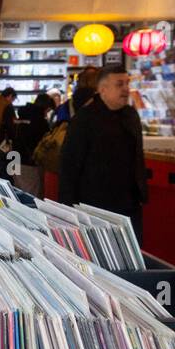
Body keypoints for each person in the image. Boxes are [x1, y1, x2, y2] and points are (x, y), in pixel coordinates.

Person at [58, 64, 147, 239]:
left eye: (127, 83)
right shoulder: (85, 119)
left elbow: (137, 156)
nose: (125, 89)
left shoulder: (130, 115)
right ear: (103, 89)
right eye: (119, 84)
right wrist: (67, 209)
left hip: (129, 204)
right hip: (94, 205)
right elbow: (69, 165)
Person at [14, 93, 56, 197]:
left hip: (15, 159)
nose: (47, 113)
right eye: (48, 110)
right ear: (45, 107)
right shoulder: (40, 122)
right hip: (30, 163)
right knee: (32, 196)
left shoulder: (22, 115)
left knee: (18, 191)